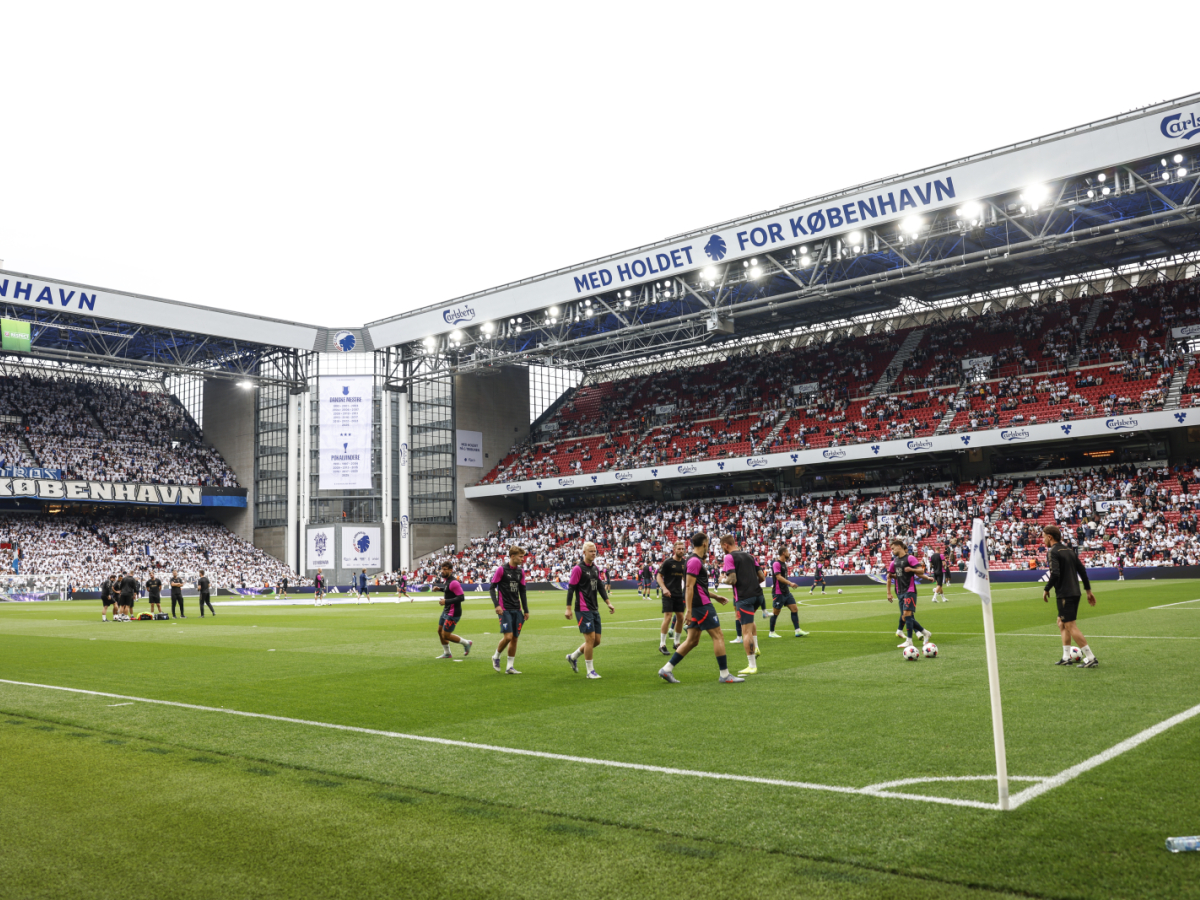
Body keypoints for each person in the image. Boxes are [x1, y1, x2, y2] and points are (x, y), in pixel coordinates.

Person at [658, 532, 744, 684]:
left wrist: (715, 597)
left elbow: (698, 587)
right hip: (701, 606)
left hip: (698, 604)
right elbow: (689, 587)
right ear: (704, 543)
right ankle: (725, 675)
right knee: (718, 636)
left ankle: (666, 669)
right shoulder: (694, 561)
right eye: (708, 543)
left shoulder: (692, 560)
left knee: (692, 640)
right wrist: (689, 610)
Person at [1042, 525, 1098, 667]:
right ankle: (1066, 657)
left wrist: (1047, 588)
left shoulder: (1053, 551)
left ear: (1050, 537)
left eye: (1043, 537)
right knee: (1061, 623)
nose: (1043, 540)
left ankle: (1091, 657)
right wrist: (1088, 591)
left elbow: (1055, 574)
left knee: (1070, 625)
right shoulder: (1069, 551)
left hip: (1065, 594)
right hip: (1075, 592)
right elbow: (1082, 570)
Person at [565, 541, 615, 679]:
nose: (593, 553)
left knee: (596, 641)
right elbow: (571, 589)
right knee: (590, 639)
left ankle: (572, 657)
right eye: (591, 551)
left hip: (594, 608)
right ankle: (590, 671)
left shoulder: (595, 569)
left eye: (595, 551)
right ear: (584, 553)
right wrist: (568, 608)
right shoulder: (578, 569)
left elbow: (600, 586)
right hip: (582, 608)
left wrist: (608, 603)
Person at [720, 535, 766, 675]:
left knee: (745, 631)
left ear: (726, 545)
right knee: (749, 621)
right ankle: (755, 647)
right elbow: (762, 577)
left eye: (722, 547)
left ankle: (752, 665)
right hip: (758, 596)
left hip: (744, 598)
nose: (723, 550)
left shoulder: (729, 557)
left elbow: (732, 579)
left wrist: (722, 580)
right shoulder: (750, 556)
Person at [489, 546, 529, 674]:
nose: (522, 559)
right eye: (520, 557)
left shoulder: (520, 571)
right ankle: (496, 656)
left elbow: (522, 592)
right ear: (512, 556)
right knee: (508, 637)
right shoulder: (501, 570)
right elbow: (492, 588)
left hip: (517, 609)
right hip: (504, 609)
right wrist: (497, 605)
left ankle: (509, 667)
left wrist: (526, 610)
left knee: (515, 638)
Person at [887, 539, 928, 650]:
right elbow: (892, 576)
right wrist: (889, 592)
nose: (892, 551)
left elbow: (921, 570)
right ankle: (925, 633)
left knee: (907, 614)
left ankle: (909, 641)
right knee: (905, 617)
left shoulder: (910, 558)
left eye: (893, 548)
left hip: (910, 590)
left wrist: (911, 569)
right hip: (900, 592)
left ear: (899, 546)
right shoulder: (894, 562)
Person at [434, 561, 473, 659]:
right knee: (440, 631)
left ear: (450, 570)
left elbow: (461, 597)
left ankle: (466, 643)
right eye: (442, 569)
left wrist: (446, 601)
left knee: (446, 635)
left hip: (453, 613)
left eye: (445, 569)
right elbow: (448, 589)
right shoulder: (447, 580)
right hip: (446, 611)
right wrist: (439, 589)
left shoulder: (454, 582)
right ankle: (447, 653)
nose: (442, 571)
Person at [768, 545, 808, 638]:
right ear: (783, 553)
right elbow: (778, 577)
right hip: (778, 592)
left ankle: (797, 631)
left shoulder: (784, 564)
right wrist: (790, 583)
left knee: (794, 609)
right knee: (775, 612)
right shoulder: (776, 564)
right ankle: (771, 632)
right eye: (787, 552)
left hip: (786, 592)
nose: (789, 553)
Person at [656, 539, 687, 655]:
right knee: (668, 617)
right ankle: (662, 644)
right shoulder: (668, 562)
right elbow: (659, 576)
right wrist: (664, 589)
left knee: (680, 618)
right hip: (668, 593)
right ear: (674, 549)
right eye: (679, 549)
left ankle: (676, 642)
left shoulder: (684, 563)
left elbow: (685, 578)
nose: (681, 551)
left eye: (682, 549)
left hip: (679, 593)